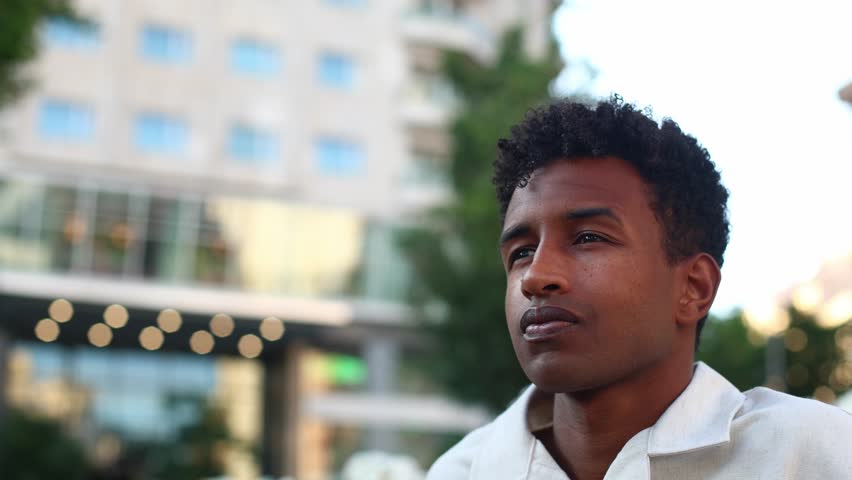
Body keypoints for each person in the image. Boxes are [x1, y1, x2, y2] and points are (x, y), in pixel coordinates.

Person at [426, 96, 852, 480]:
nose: (536, 276)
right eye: (521, 252)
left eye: (588, 238)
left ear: (694, 288)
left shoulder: (812, 454)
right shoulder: (462, 470)